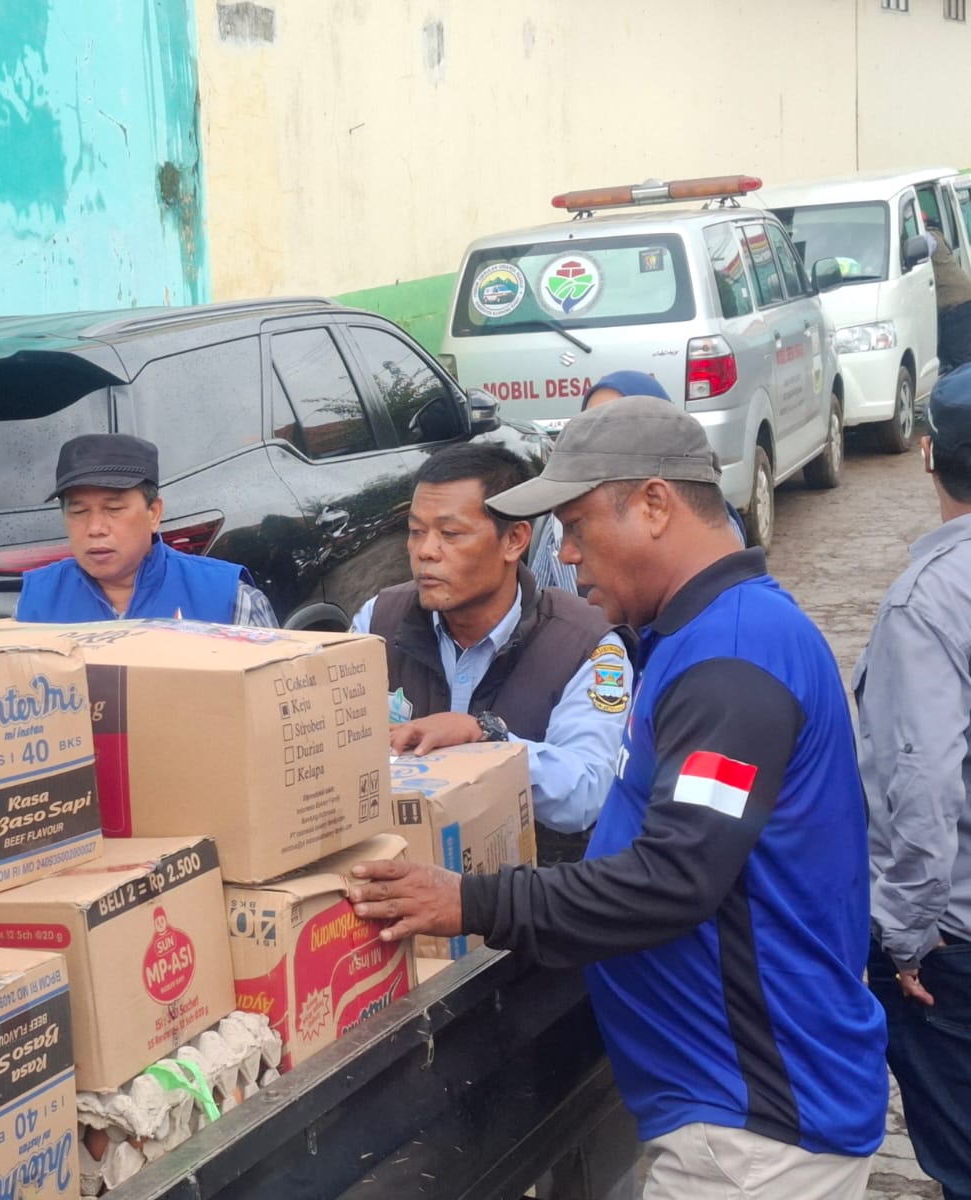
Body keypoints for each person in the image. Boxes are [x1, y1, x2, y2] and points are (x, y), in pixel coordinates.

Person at [348, 397, 887, 1199]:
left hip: (753, 1129)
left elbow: (674, 879)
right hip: (727, 1111)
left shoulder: (732, 662)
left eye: (576, 525)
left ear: (655, 504)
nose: (567, 555)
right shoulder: (697, 639)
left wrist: (472, 900)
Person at [349, 443, 629, 865]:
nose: (425, 551)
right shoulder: (378, 621)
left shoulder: (586, 645)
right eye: (415, 531)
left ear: (514, 540)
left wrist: (485, 737)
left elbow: (585, 794)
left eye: (450, 534)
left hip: (526, 905)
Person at [854, 365, 971, 1200]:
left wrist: (901, 935)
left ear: (926, 455)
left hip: (953, 950)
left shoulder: (926, 603)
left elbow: (925, 785)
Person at [15, 433, 277, 625]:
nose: (95, 528)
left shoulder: (230, 600)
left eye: (114, 509)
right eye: (79, 511)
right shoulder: (35, 603)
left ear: (154, 513)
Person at [532, 372, 746, 593]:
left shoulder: (710, 527)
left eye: (616, 425)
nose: (568, 554)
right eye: (590, 424)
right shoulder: (557, 523)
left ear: (655, 503)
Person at [926, 218, 971, 373]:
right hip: (962, 299)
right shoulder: (938, 235)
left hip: (956, 305)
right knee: (952, 355)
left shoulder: (928, 238)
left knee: (962, 356)